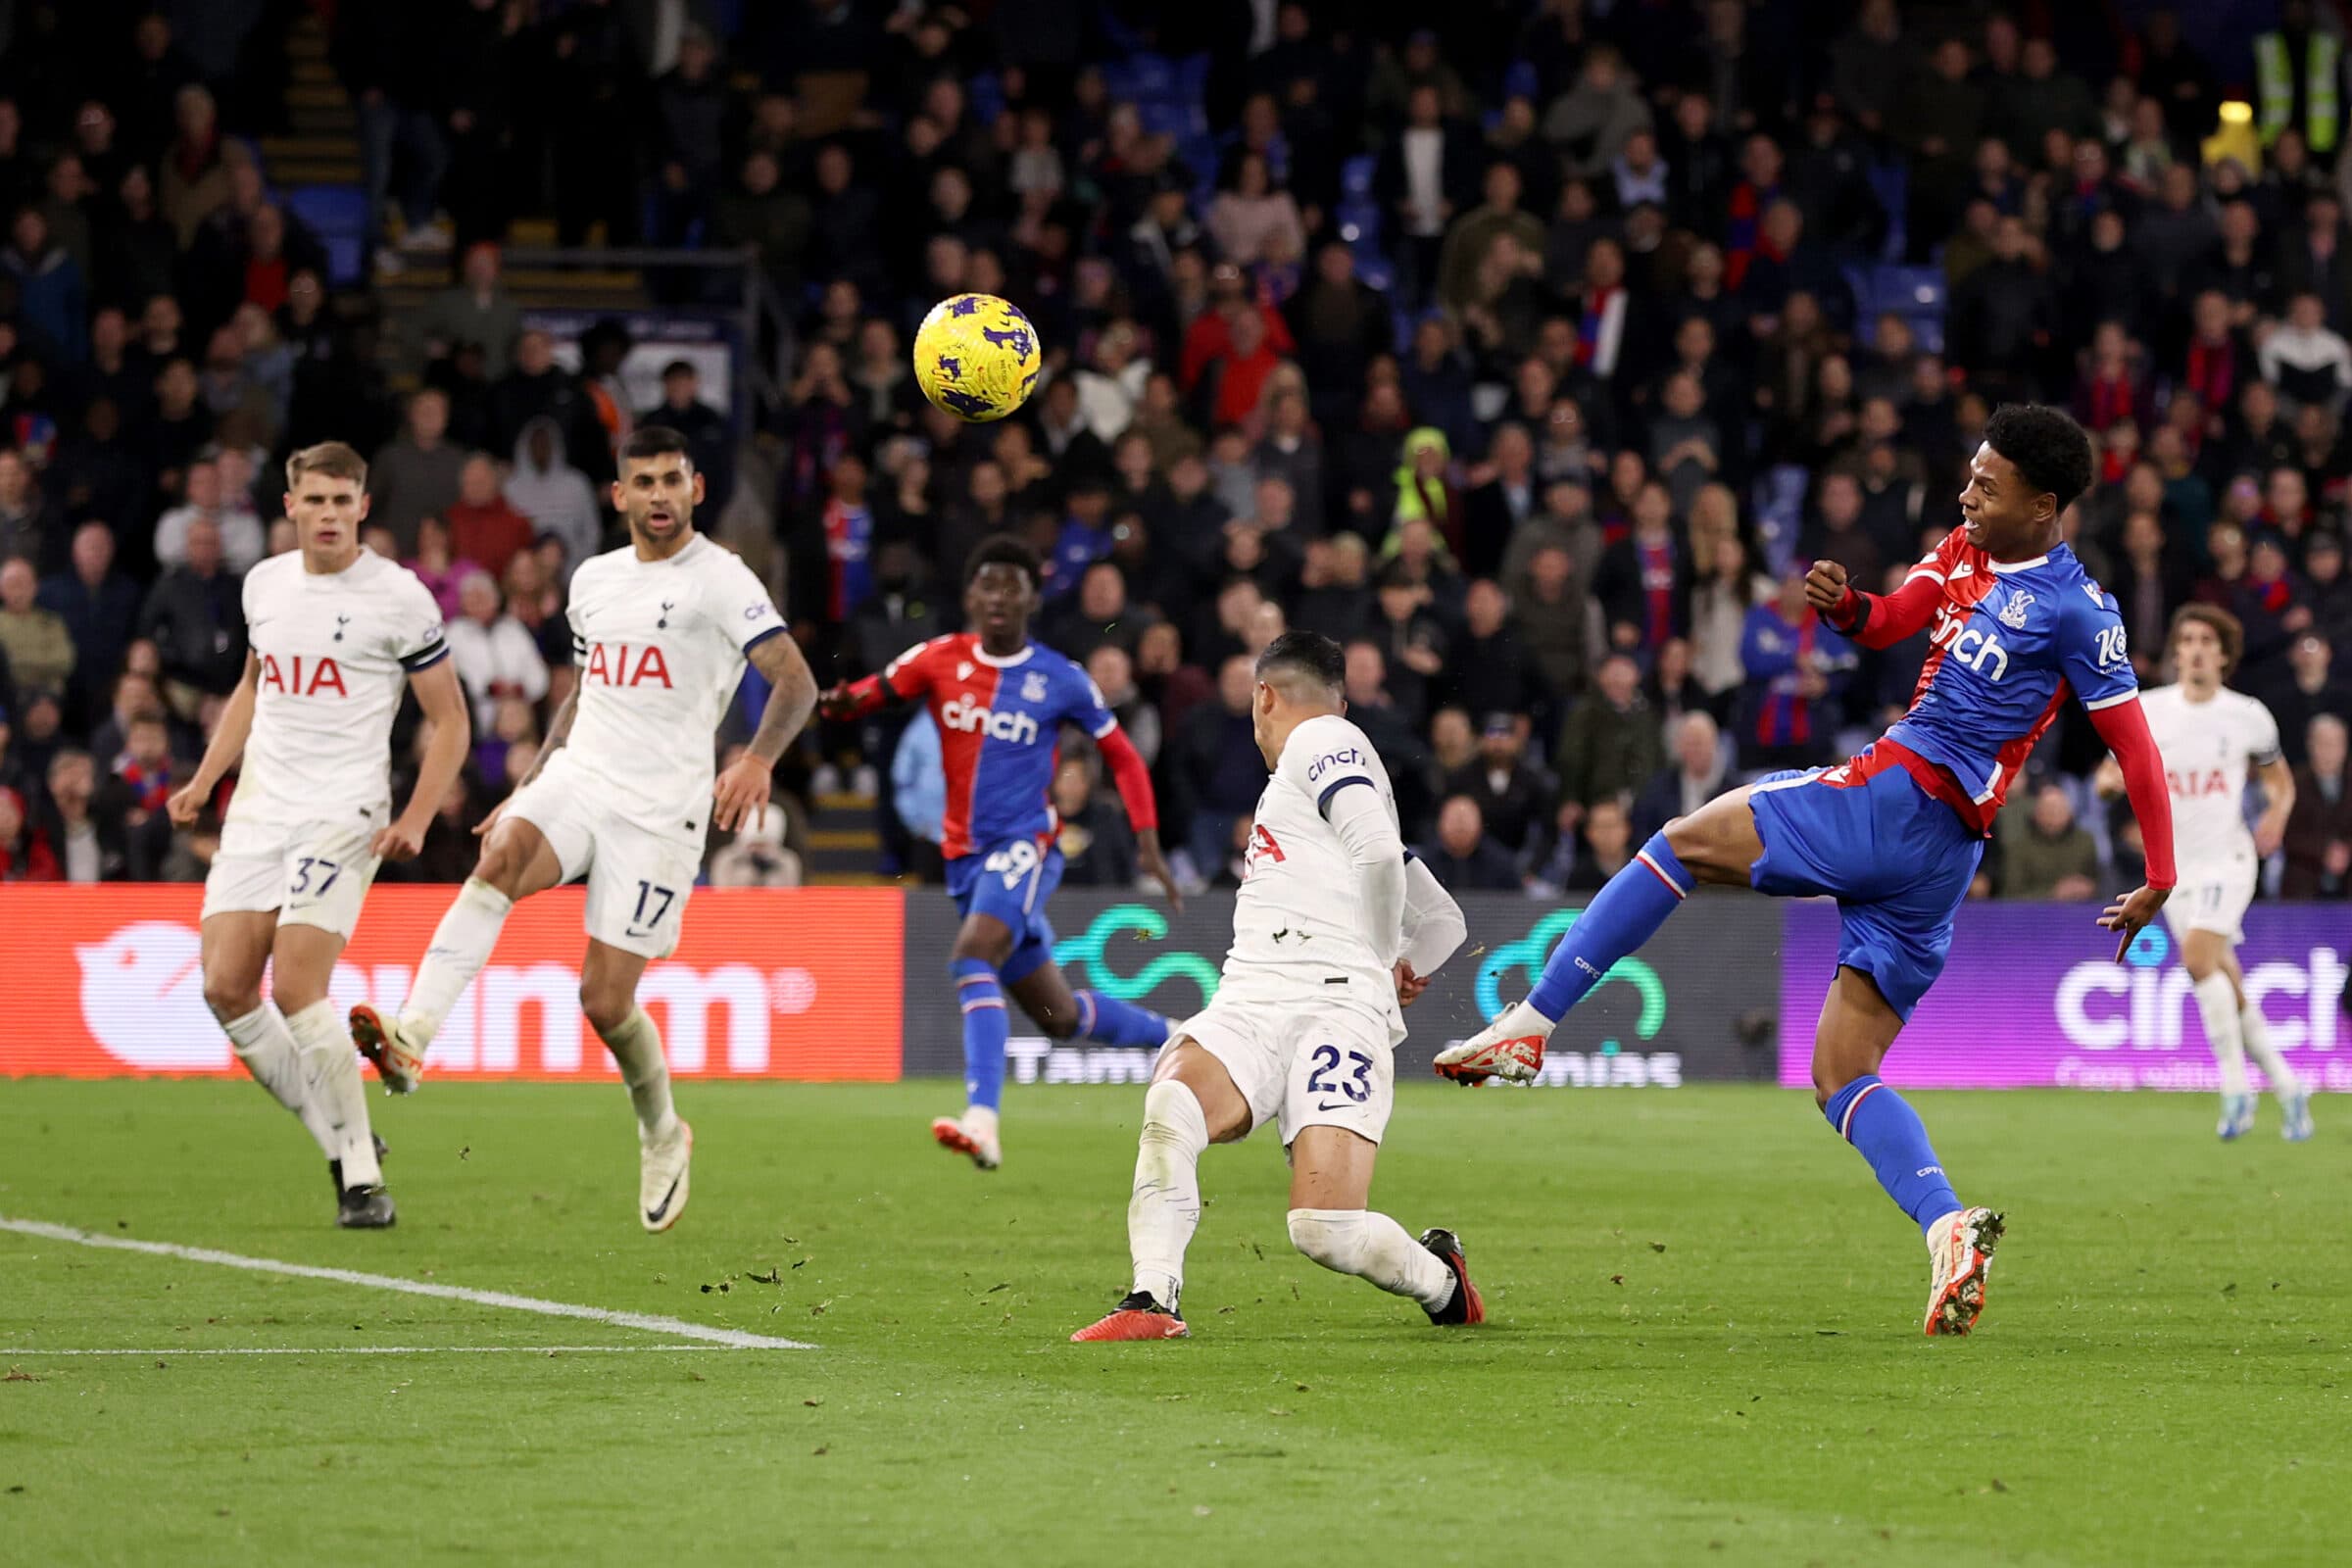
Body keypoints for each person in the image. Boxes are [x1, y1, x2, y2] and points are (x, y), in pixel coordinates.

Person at [1441, 406, 2180, 1338]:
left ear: (2044, 504)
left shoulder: (2080, 611)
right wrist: (1844, 610)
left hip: (1901, 798)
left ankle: (1531, 1023)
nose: (1967, 493)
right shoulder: (1961, 548)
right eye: (1970, 477)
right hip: (1939, 859)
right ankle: (1947, 1225)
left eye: (1987, 487)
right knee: (1841, 1072)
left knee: (1680, 842)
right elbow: (1891, 623)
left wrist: (2160, 872)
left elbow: (2135, 747)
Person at [347, 428, 819, 1233]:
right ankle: (412, 1033)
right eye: (645, 482)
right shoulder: (594, 579)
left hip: (660, 808)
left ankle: (663, 1130)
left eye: (673, 480)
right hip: (581, 777)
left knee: (604, 1000)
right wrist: (529, 784)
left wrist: (756, 760)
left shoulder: (722, 579)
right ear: (620, 496)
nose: (660, 495)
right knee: (501, 856)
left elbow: (796, 681)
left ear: (696, 489)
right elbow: (580, 693)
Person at [1070, 631, 1479, 1342]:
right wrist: (1405, 954)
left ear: (1264, 697)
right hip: (1255, 996)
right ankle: (1151, 1299)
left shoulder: (1318, 737)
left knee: (1323, 1228)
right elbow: (1443, 917)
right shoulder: (1314, 786)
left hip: (1336, 1007)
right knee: (1173, 1101)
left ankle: (1442, 1279)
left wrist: (1380, 959)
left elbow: (1381, 856)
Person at [165, 442, 472, 1228]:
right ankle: (343, 1137)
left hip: (343, 812)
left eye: (344, 500)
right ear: (291, 506)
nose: (330, 514)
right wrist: (205, 780)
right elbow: (252, 687)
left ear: (364, 507)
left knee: (297, 987)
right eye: (316, 500)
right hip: (262, 808)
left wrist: (412, 816)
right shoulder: (265, 584)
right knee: (226, 987)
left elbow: (450, 722)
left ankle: (363, 1182)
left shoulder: (399, 597)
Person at [816, 536, 1182, 1170]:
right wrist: (842, 703)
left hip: (1024, 847)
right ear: (970, 597)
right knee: (1061, 1017)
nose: (999, 598)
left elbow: (1120, 753)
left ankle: (983, 1118)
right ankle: (1183, 1038)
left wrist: (1147, 840)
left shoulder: (1060, 677)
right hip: (963, 859)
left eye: (1013, 587)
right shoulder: (939, 659)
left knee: (971, 957)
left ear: (1032, 601)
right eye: (988, 585)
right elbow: (877, 690)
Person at [2100, 606, 2308, 1141]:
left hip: (2229, 860)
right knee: (2222, 974)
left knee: (2196, 958)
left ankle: (2236, 1089)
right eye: (2186, 638)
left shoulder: (2249, 715)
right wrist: (2108, 784)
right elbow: (2110, 771)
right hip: (2171, 872)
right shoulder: (2148, 710)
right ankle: (2288, 1085)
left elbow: (2280, 783)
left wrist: (2276, 817)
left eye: (2206, 640)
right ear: (2175, 650)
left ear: (2223, 653)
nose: (2194, 648)